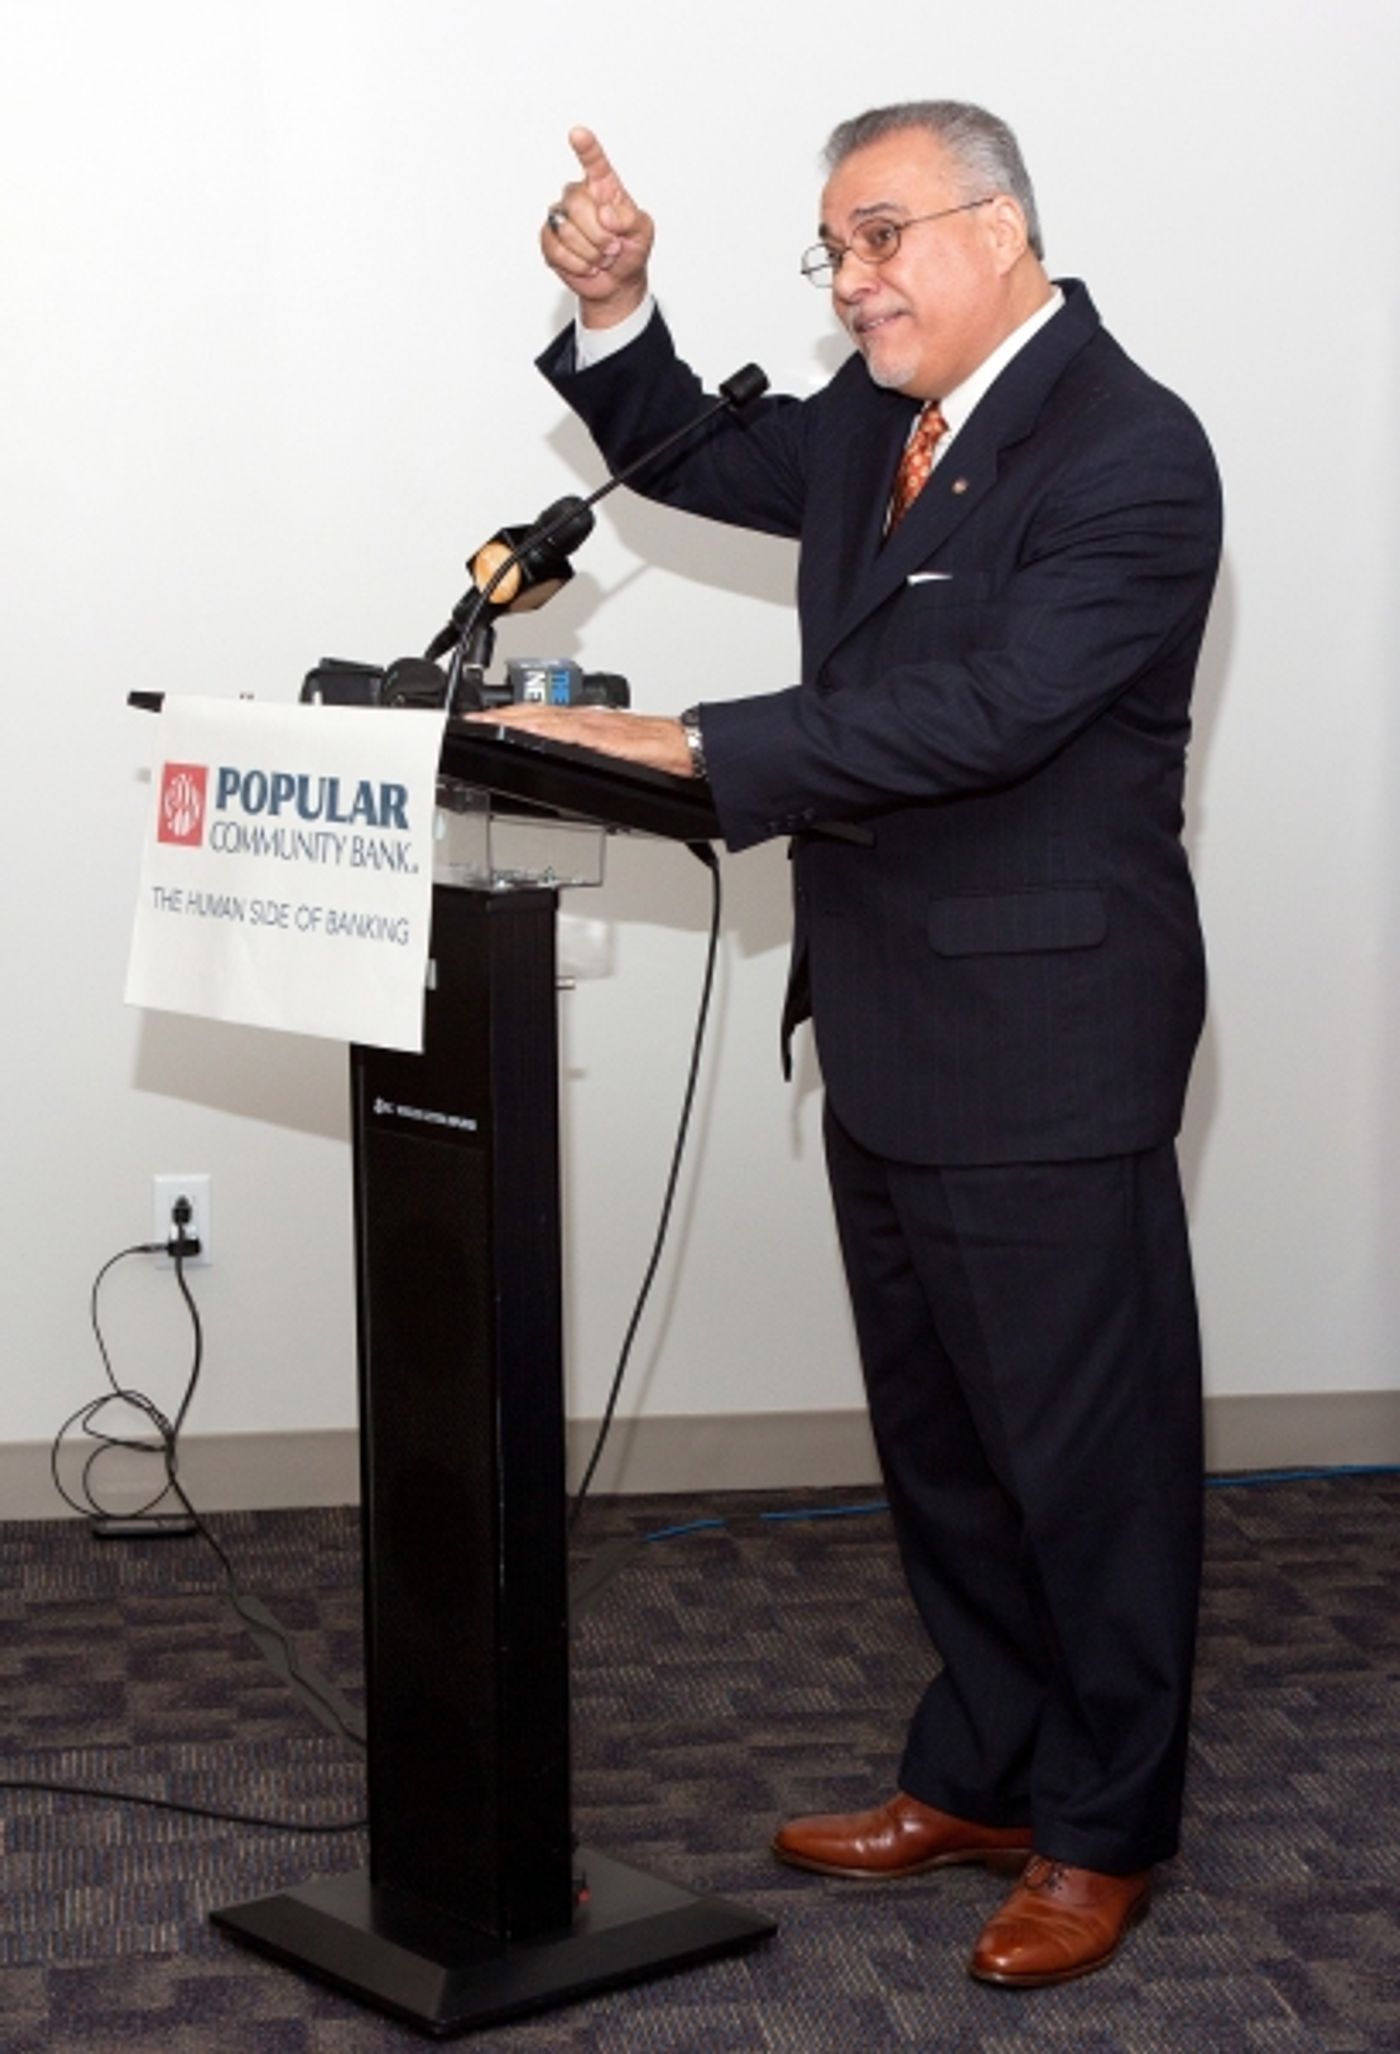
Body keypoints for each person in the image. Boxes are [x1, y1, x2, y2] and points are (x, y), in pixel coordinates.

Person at [479, 103, 1222, 1988]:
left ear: (1003, 230)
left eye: (878, 238)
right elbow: (681, 448)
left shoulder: (1131, 447)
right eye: (832, 250)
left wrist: (701, 745)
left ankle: (1106, 1823)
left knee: (1087, 1460)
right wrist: (624, 299)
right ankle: (979, 1767)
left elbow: (996, 709)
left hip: (1050, 1039)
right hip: (889, 1018)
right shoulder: (886, 431)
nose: (849, 282)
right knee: (947, 1453)